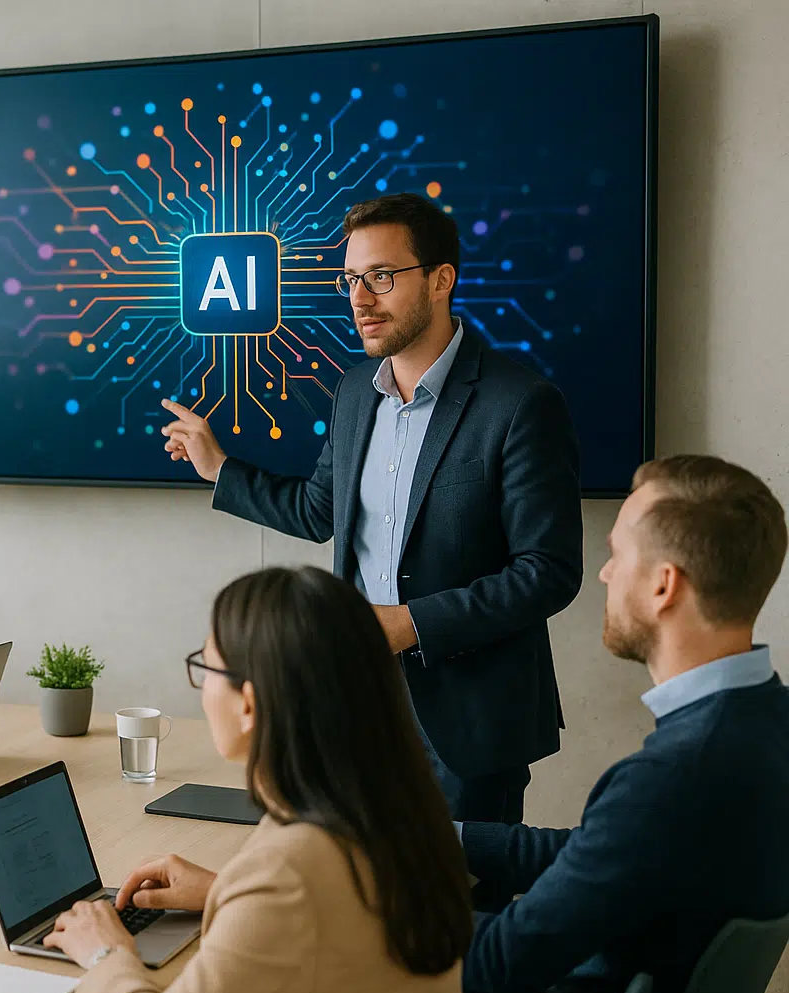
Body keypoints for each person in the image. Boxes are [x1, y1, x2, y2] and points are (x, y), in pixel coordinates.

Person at [162, 192, 583, 826]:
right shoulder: (356, 390)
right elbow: (319, 510)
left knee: (460, 917)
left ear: (441, 280)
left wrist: (408, 623)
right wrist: (220, 468)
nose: (361, 298)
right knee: (360, 902)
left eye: (382, 277)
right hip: (357, 704)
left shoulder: (521, 403)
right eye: (353, 278)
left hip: (468, 722)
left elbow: (547, 572)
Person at [43, 566, 472, 993]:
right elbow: (330, 920)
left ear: (248, 704)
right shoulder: (383, 803)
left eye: (206, 667)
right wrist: (225, 892)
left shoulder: (289, 868)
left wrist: (104, 954)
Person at [461, 455, 789, 993]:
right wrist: (442, 835)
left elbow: (499, 962)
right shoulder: (765, 724)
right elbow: (601, 855)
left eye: (616, 556)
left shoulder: (674, 776)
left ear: (664, 585)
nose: (604, 574)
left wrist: (355, 914)